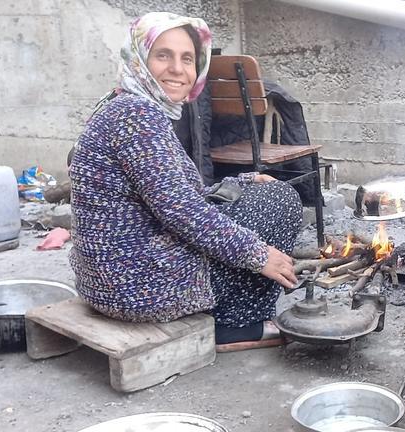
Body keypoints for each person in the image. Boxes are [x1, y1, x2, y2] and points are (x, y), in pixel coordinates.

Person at [69, 12, 301, 351]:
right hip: (138, 288)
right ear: (139, 58)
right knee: (279, 201)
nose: (178, 69)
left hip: (110, 281)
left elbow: (175, 195)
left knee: (261, 190)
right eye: (163, 55)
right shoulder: (138, 114)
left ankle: (234, 312)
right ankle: (236, 325)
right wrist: (259, 254)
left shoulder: (123, 104)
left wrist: (245, 179)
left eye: (187, 59)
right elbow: (181, 211)